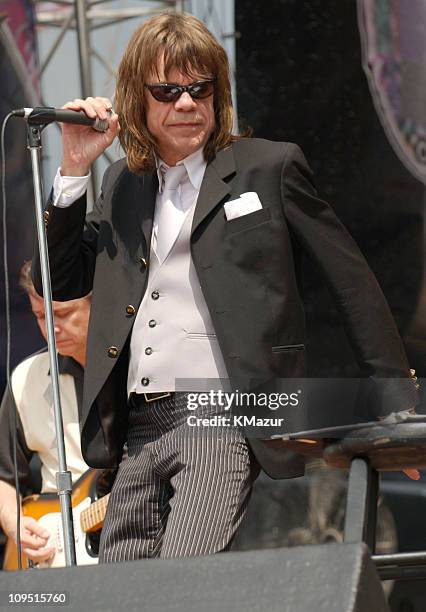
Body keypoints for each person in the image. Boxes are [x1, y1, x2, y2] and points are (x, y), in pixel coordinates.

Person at [32, 11, 418, 563]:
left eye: (200, 88)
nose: (186, 103)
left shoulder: (268, 167)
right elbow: (61, 279)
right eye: (167, 90)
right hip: (138, 426)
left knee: (184, 584)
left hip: (223, 415)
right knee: (122, 594)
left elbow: (352, 284)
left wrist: (397, 409)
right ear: (137, 99)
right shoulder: (122, 183)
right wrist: (72, 169)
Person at [0, 262, 91, 564]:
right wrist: (14, 522)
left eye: (63, 313)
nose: (50, 327)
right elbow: (4, 475)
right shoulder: (26, 378)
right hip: (54, 555)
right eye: (41, 316)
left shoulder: (142, 372)